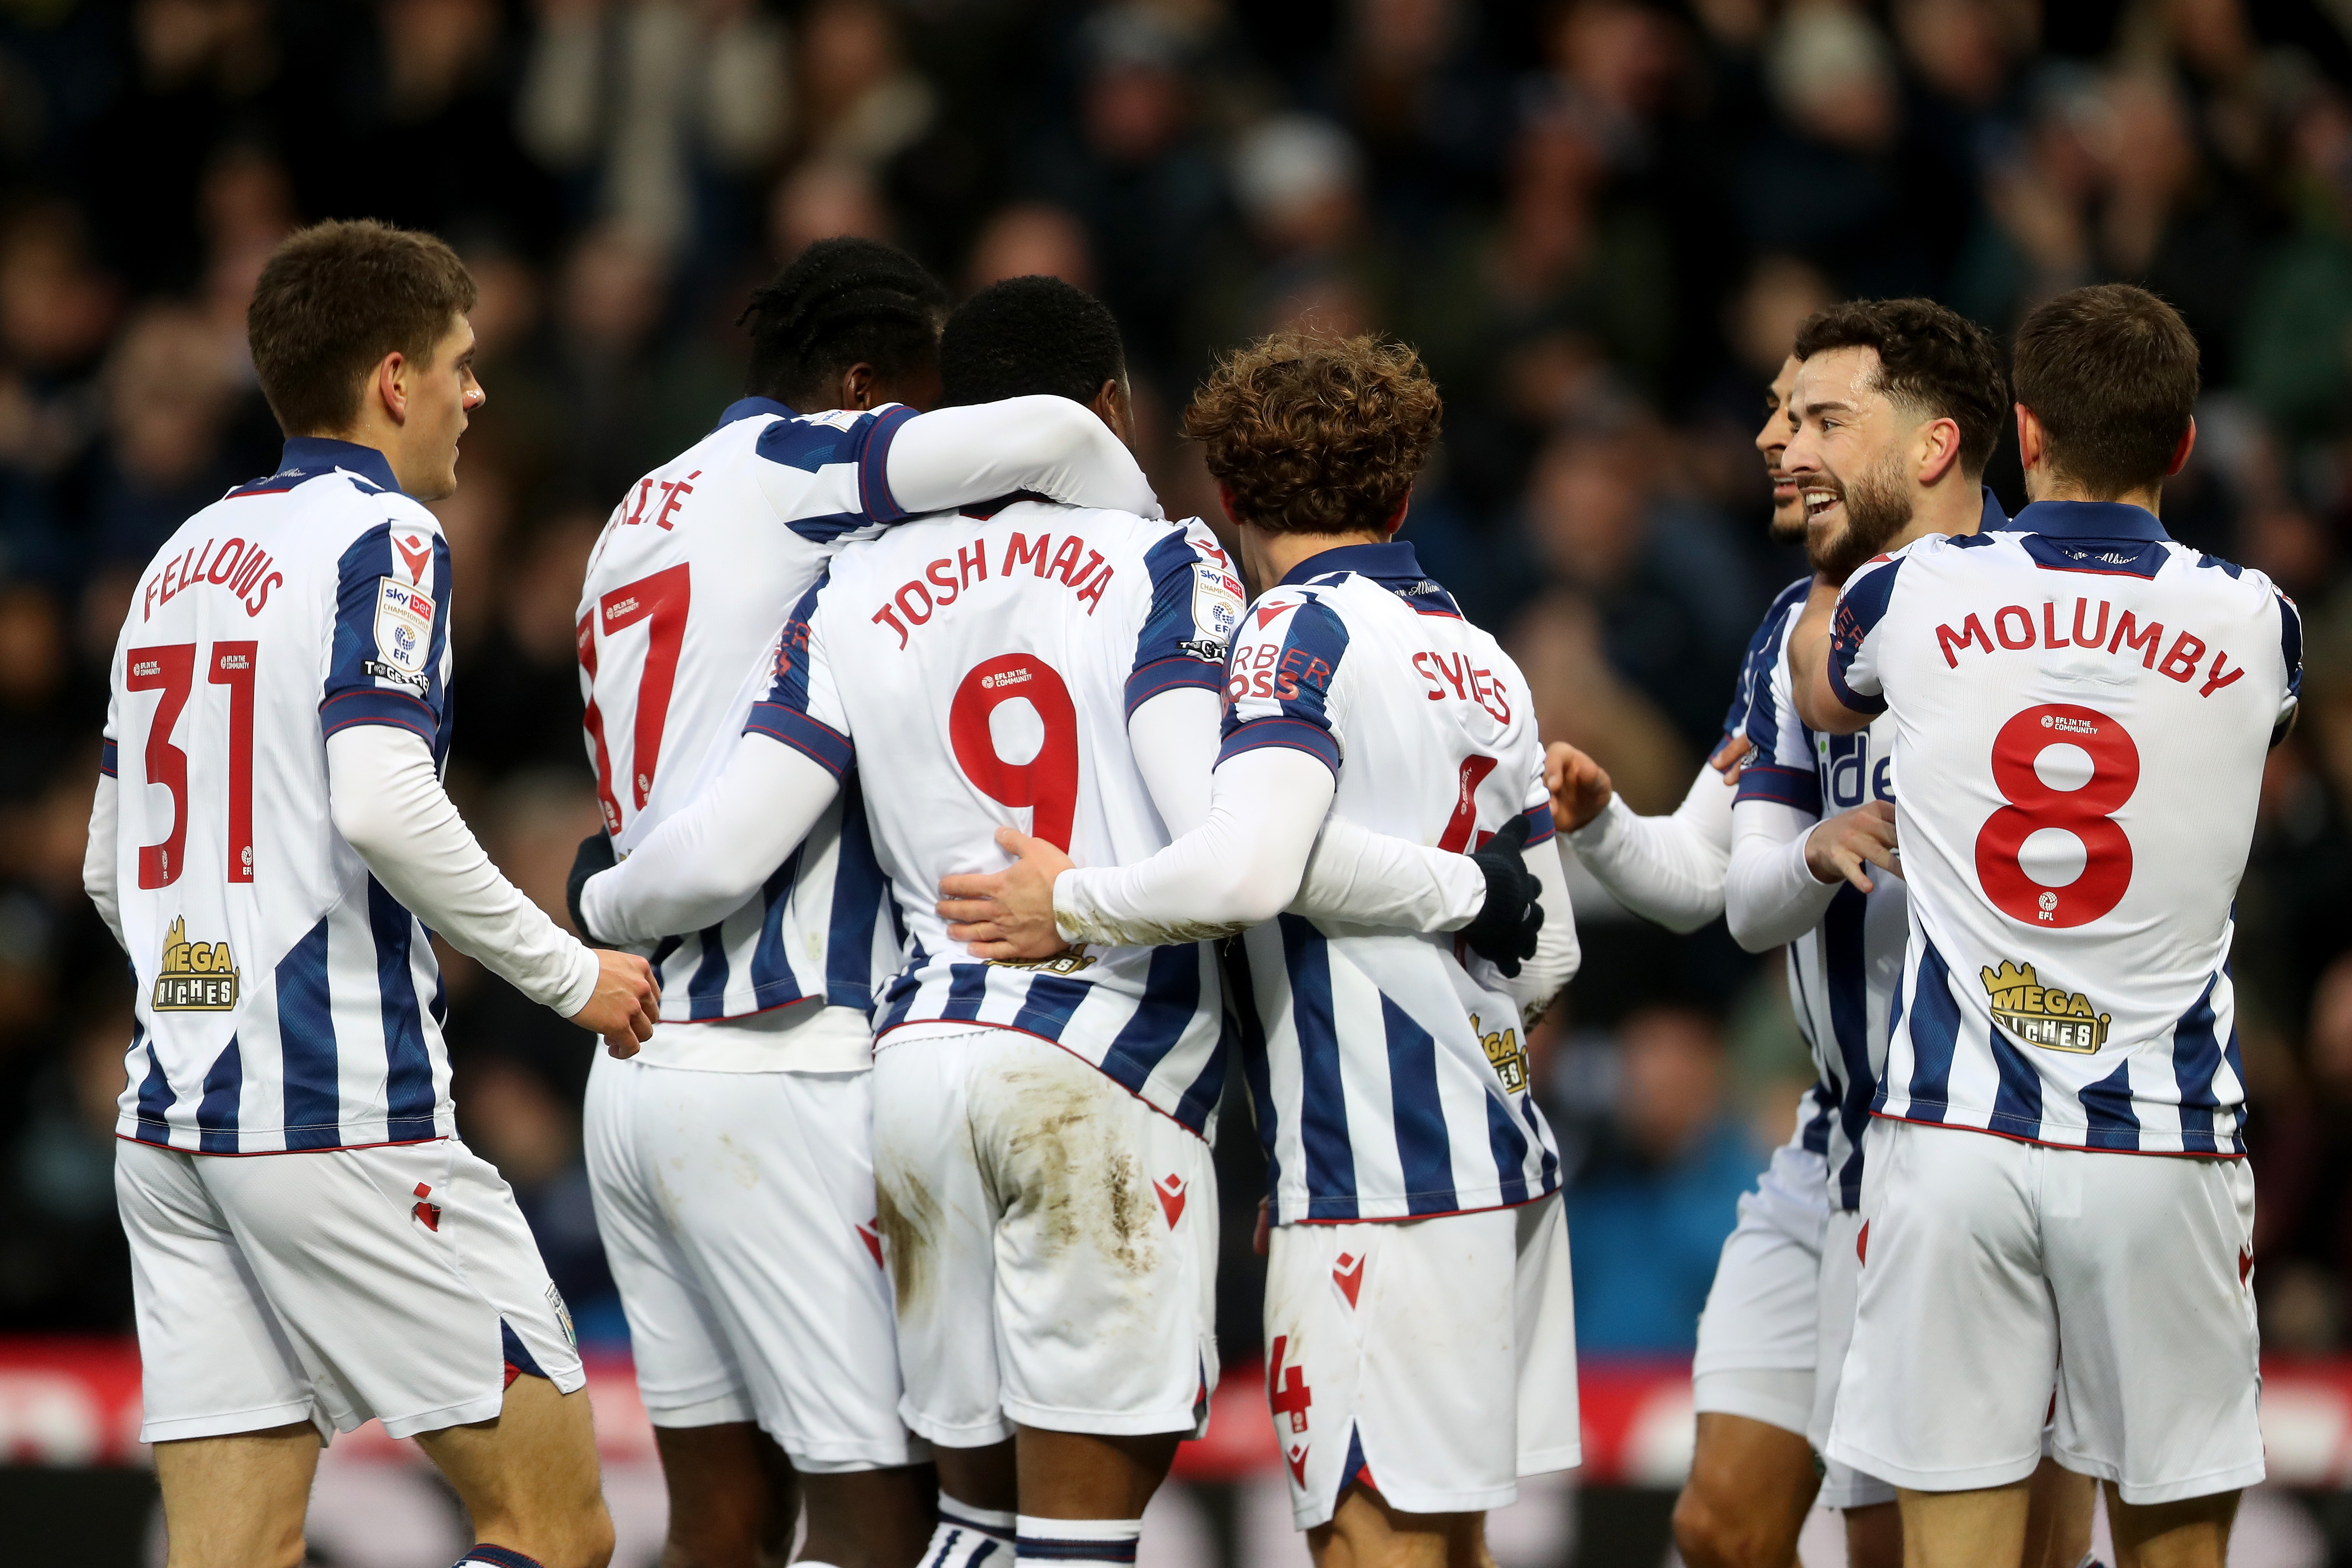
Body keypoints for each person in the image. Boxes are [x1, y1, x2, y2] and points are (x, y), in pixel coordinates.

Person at [576, 283, 1539, 1568]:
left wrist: (599, 898)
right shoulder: (1164, 559)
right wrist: (1466, 884)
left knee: (968, 1523)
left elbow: (729, 838)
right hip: (1097, 1072)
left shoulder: (850, 583)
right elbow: (1238, 847)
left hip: (917, 1077)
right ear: (1110, 410)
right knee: (1078, 1538)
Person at [569, 238, 1167, 1568]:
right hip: (785, 1054)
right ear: (856, 385)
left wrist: (605, 898)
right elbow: (1064, 438)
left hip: (640, 1071)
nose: (944, 441)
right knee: (890, 1520)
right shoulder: (808, 470)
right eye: (919, 401)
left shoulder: (634, 510)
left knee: (719, 1525)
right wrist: (1166, 567)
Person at [941, 329, 1581, 1568]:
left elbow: (1248, 867)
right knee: (1444, 1543)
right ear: (1403, 490)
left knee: (1368, 1543)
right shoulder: (1486, 661)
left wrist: (1075, 904)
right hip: (1495, 1164)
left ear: (1229, 497)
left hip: (1378, 1186)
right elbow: (1545, 952)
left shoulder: (1289, 631)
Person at [85, 219, 661, 1568]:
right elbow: (382, 800)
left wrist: (206, 988)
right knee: (557, 1528)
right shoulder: (386, 537)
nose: (477, 396)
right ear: (392, 379)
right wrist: (570, 973)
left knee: (234, 1557)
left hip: (171, 1122)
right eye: (460, 365)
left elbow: (115, 865)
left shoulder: (179, 558)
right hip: (336, 1114)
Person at [1794, 284, 2292, 1568]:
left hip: (1958, 1140)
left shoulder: (1918, 593)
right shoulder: (2257, 620)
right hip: (2163, 1144)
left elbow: (1825, 692)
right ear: (2184, 444)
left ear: (2021, 432)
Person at [1731, 296, 2097, 1568]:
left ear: (1932, 446)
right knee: (1754, 1528)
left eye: (1822, 418)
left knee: (2000, 1542)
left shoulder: (2048, 619)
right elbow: (1733, 884)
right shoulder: (1797, 622)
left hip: (2007, 1125)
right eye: (1784, 416)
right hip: (1849, 1134)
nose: (1780, 445)